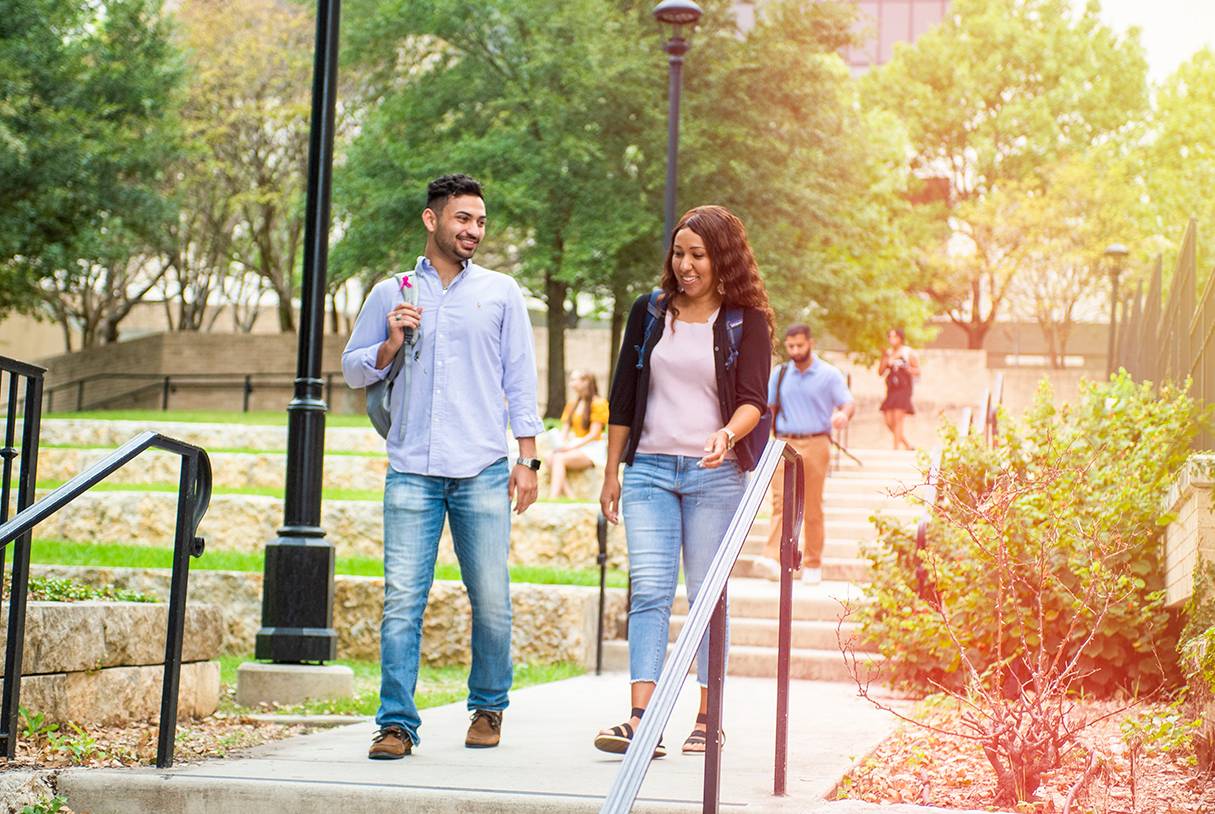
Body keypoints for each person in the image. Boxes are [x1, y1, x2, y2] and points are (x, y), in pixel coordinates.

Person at [340, 174, 544, 760]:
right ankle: (396, 724)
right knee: (403, 600)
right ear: (433, 221)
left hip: (481, 466)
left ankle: (488, 707)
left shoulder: (502, 293)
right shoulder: (392, 291)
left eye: (480, 221)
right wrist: (389, 344)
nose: (473, 231)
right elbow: (355, 369)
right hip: (411, 469)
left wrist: (527, 458)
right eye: (463, 219)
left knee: (493, 599)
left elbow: (520, 381)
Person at [595, 205, 773, 758]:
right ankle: (639, 719)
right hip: (648, 469)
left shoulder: (747, 319)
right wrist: (611, 473)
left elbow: (753, 401)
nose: (687, 265)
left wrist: (727, 433)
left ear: (723, 259)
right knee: (648, 588)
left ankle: (706, 716)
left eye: (699, 255)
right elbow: (623, 396)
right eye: (680, 253)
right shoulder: (648, 313)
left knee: (706, 596)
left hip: (713, 475)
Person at [751, 324, 854, 586]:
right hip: (784, 443)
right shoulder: (780, 373)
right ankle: (773, 558)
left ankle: (812, 563)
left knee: (812, 506)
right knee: (780, 502)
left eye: (800, 345)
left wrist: (843, 414)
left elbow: (848, 402)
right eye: (790, 346)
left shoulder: (829, 374)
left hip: (816, 442)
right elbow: (769, 409)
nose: (795, 350)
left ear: (811, 343)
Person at [547, 370, 608, 499]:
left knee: (559, 459)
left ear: (586, 382)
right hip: (576, 445)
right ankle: (570, 496)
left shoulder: (599, 403)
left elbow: (594, 434)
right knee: (550, 457)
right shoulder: (572, 405)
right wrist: (562, 444)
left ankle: (553, 496)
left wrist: (570, 448)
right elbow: (565, 429)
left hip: (592, 447)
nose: (571, 383)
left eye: (575, 380)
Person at [879, 328, 919, 450]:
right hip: (891, 389)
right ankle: (907, 445)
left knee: (898, 418)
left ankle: (895, 449)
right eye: (890, 337)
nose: (892, 340)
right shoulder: (889, 353)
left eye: (894, 337)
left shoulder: (908, 352)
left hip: (904, 388)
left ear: (900, 338)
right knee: (889, 421)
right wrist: (885, 358)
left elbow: (917, 370)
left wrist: (907, 368)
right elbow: (880, 372)